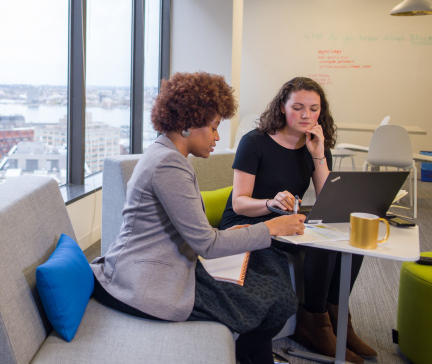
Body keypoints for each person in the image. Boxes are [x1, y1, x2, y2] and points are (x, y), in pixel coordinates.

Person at [91, 72, 305, 364]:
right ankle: (240, 355)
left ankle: (244, 356)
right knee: (278, 300)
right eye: (215, 127)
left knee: (272, 282)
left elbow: (193, 231)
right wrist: (270, 227)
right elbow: (207, 243)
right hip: (145, 283)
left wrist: (247, 231)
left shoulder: (166, 155)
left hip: (166, 265)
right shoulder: (169, 165)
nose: (217, 137)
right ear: (189, 124)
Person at [219, 77, 373, 364]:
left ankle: (339, 321)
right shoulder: (254, 142)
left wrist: (318, 156)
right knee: (318, 242)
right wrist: (270, 203)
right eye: (298, 107)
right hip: (248, 220)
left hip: (286, 222)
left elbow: (330, 202)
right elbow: (239, 201)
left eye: (314, 109)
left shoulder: (316, 145)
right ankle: (314, 324)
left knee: (348, 231)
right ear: (282, 107)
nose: (306, 115)